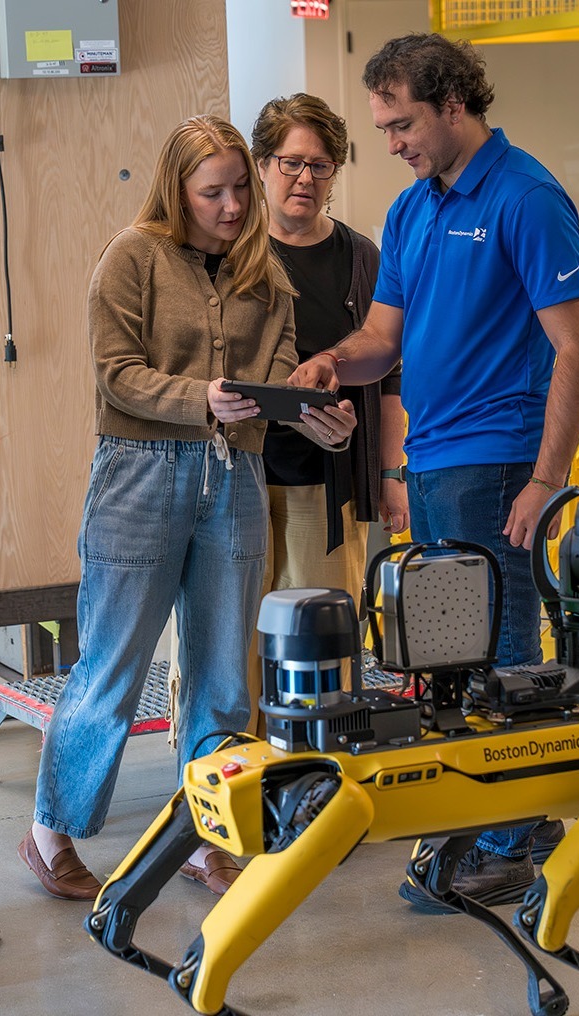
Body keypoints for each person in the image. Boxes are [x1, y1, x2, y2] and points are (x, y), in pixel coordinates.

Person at [290, 33, 579, 912]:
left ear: (453, 104)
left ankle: (517, 835)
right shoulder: (413, 208)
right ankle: (487, 813)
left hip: (499, 467)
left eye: (401, 124)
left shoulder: (527, 198)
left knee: (505, 659)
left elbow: (578, 350)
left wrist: (546, 481)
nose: (390, 143)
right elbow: (382, 341)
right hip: (430, 463)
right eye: (385, 127)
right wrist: (328, 363)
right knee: (450, 663)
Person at [18, 114, 357, 901]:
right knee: (112, 663)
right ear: (178, 189)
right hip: (139, 474)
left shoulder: (263, 274)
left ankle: (211, 834)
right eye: (215, 192)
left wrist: (316, 414)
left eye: (241, 189)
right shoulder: (131, 258)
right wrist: (198, 398)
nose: (234, 206)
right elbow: (116, 375)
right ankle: (51, 833)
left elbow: (273, 381)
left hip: (235, 476)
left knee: (220, 674)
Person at [247, 93, 407, 730]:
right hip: (242, 478)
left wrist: (391, 475)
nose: (304, 179)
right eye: (289, 163)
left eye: (320, 166)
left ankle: (318, 769)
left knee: (320, 640)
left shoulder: (362, 258)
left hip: (326, 483)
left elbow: (389, 377)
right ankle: (239, 772)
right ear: (262, 165)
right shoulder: (233, 255)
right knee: (238, 643)